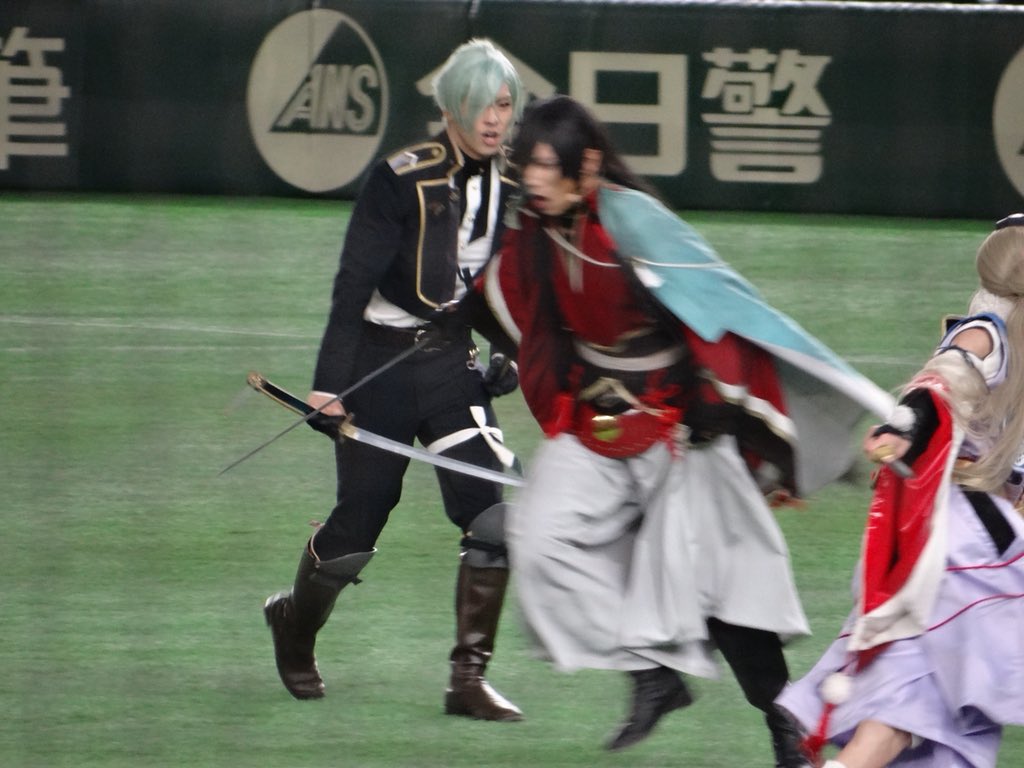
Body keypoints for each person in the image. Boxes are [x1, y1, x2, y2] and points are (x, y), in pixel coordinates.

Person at [471, 95, 894, 764]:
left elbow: (718, 308)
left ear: (587, 164)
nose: (535, 178)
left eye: (549, 166)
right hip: (595, 425)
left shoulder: (636, 222)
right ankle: (652, 674)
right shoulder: (535, 229)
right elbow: (510, 297)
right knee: (540, 536)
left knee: (723, 598)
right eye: (530, 165)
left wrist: (716, 405)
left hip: (683, 428)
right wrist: (449, 319)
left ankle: (786, 727)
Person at [262, 39, 526, 722]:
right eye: (481, 104)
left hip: (450, 367)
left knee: (494, 516)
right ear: (452, 107)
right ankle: (294, 626)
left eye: (503, 104)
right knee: (359, 523)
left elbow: (491, 286)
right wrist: (327, 385)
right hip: (376, 369)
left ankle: (467, 681)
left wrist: (509, 352)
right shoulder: (399, 179)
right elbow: (352, 284)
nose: (493, 118)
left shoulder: (507, 185)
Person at [776, 216, 1024, 768]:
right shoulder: (985, 333)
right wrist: (903, 427)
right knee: (905, 712)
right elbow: (937, 385)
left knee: (901, 712)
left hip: (960, 540)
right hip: (960, 548)